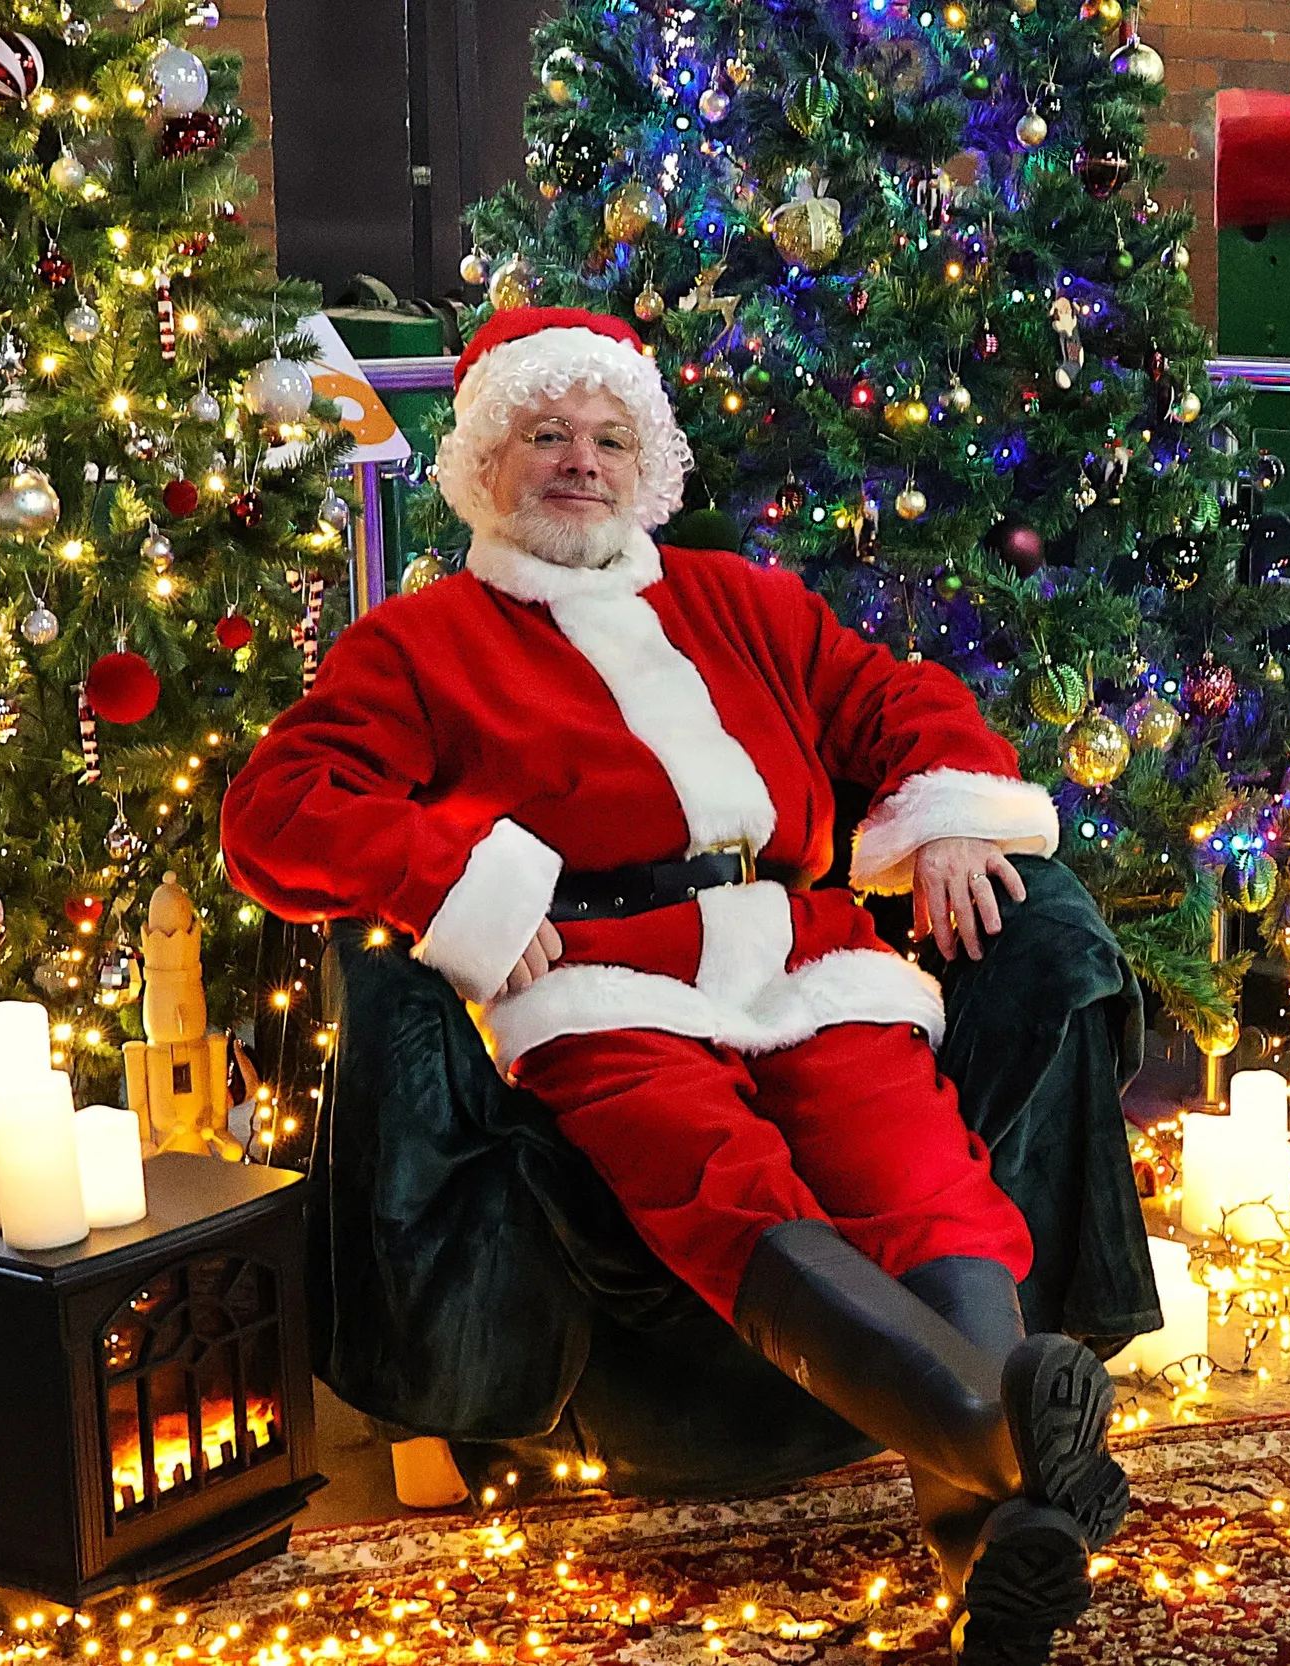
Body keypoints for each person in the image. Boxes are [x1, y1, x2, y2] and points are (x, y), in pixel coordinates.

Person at [221, 306, 1129, 1664]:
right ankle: (1011, 1450)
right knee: (716, 1177)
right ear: (485, 465)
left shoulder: (740, 602)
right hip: (592, 976)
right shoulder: (421, 643)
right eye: (544, 435)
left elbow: (896, 697)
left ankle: (993, 1531)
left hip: (805, 947)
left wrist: (947, 814)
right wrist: (454, 882)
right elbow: (277, 807)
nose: (578, 462)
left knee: (919, 1167)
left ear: (644, 465)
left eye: (605, 437)